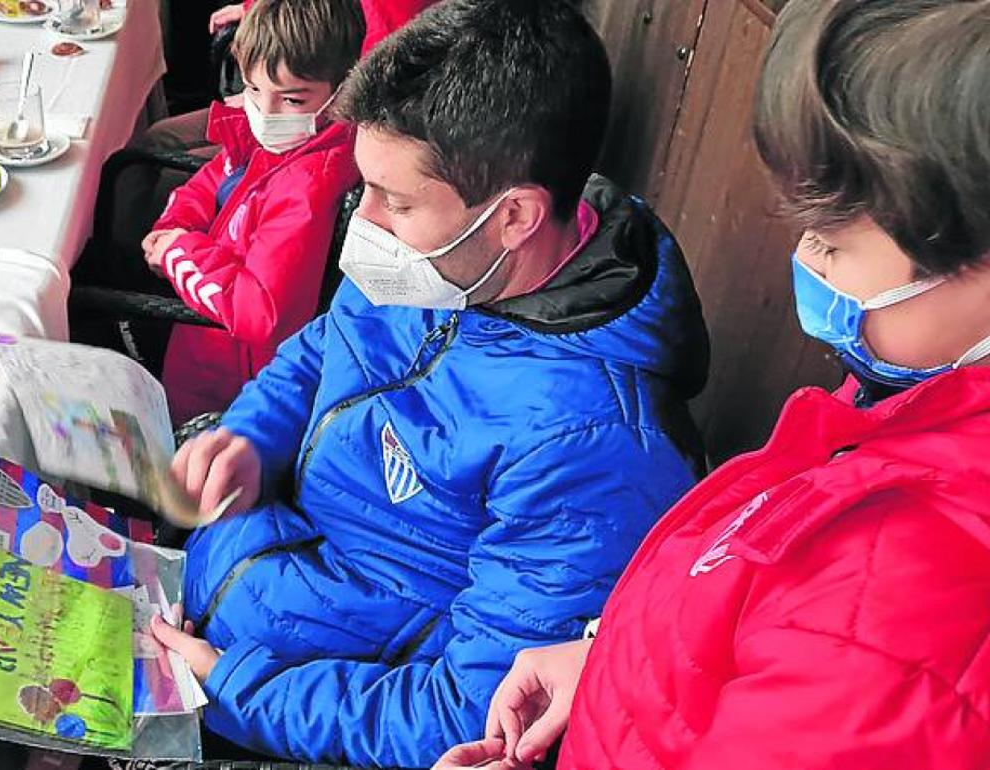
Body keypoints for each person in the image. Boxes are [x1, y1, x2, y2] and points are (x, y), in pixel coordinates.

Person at [146, 1, 709, 766]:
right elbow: (325, 348)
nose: (365, 223)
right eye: (366, 187)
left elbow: (464, 713)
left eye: (397, 203)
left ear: (513, 216)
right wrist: (253, 435)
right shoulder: (449, 262)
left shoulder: (594, 451)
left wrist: (242, 688)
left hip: (281, 707)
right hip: (221, 584)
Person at [436, 2, 990, 768]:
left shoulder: (904, 626)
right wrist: (610, 659)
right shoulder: (910, 400)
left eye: (833, 239)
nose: (807, 258)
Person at [72, 0, 365, 423]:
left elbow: (261, 313)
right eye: (253, 90)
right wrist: (175, 228)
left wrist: (179, 251)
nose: (267, 112)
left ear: (343, 90)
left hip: (216, 362)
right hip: (204, 292)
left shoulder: (308, 188)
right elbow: (216, 178)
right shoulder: (283, 139)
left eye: (293, 99)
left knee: (80, 300)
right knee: (94, 257)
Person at [141, 0, 438, 156]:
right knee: (158, 138)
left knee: (157, 166)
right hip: (294, 98)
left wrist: (280, 101)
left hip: (326, 130)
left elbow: (383, 88)